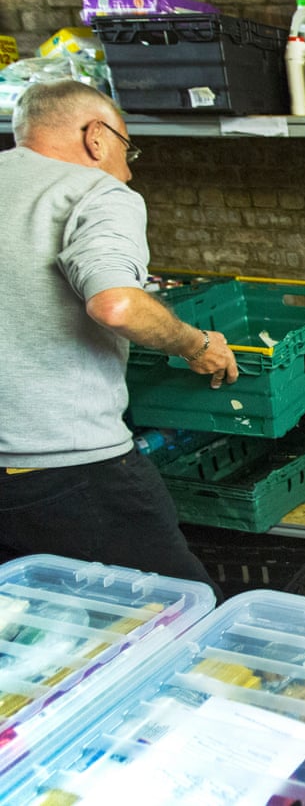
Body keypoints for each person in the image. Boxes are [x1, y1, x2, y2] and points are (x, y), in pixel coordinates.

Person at [0, 80, 238, 599]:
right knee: (184, 611)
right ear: (96, 137)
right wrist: (195, 345)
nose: (129, 170)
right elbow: (118, 304)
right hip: (67, 466)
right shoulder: (96, 191)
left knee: (38, 627)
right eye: (128, 151)